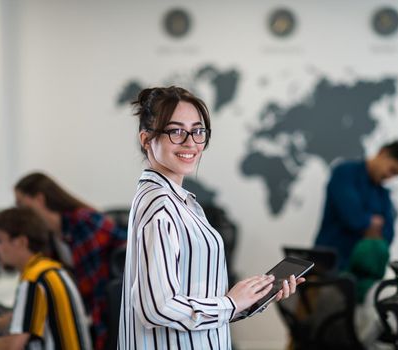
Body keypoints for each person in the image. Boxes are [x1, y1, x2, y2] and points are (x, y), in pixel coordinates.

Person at [119, 86, 304, 349]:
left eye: (197, 131)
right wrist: (229, 303)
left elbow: (191, 301)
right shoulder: (160, 206)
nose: (191, 142)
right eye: (175, 131)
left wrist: (250, 300)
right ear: (146, 139)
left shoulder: (178, 202)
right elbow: (156, 308)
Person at [0, 207, 92, 350]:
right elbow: (18, 320)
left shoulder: (34, 281)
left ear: (22, 242)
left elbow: (14, 345)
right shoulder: (50, 270)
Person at [14, 172, 126, 350]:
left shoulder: (83, 221)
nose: (18, 211)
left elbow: (95, 286)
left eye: (20, 203)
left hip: (110, 316)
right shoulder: (53, 237)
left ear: (39, 199)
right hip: (93, 313)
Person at [314, 140, 398, 270]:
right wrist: (372, 223)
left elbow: (388, 235)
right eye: (392, 170)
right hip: (328, 266)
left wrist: (367, 222)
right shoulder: (344, 172)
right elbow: (353, 218)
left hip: (360, 271)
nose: (389, 177)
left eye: (395, 175)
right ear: (382, 153)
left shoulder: (382, 192)